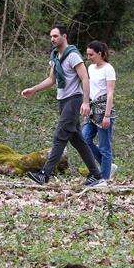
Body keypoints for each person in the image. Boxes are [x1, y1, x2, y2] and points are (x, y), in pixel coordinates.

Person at [21, 24, 104, 187]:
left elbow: (85, 78)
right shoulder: (54, 56)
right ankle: (96, 174)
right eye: (51, 36)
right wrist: (34, 89)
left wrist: (86, 102)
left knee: (60, 135)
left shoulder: (73, 55)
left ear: (64, 37)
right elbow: (51, 80)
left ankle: (44, 175)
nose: (52, 39)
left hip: (74, 99)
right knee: (76, 139)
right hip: (63, 100)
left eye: (55, 36)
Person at [82, 40, 117, 183]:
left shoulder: (108, 69)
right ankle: (107, 165)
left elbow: (110, 93)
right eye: (87, 54)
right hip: (91, 109)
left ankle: (104, 178)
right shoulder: (90, 68)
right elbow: (89, 88)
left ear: (100, 53)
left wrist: (107, 116)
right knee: (84, 139)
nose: (89, 57)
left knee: (104, 146)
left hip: (104, 110)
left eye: (91, 54)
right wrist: (86, 104)